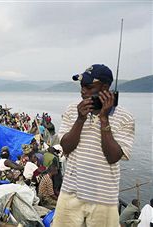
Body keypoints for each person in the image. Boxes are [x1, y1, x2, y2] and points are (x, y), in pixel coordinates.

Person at [52, 64, 135, 227]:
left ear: (105, 87)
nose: (83, 91)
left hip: (104, 198)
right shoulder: (72, 110)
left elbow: (113, 157)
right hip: (70, 192)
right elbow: (66, 147)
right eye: (82, 86)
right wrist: (80, 119)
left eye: (89, 87)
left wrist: (104, 118)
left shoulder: (125, 117)